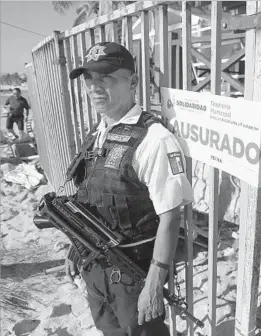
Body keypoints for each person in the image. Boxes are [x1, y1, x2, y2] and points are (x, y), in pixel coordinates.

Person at [64, 41, 193, 336]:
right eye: (89, 78)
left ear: (133, 81)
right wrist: (76, 246)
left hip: (132, 272)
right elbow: (92, 196)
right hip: (94, 265)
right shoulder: (98, 133)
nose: (95, 86)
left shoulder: (154, 140)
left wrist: (154, 282)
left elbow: (171, 217)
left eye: (106, 77)